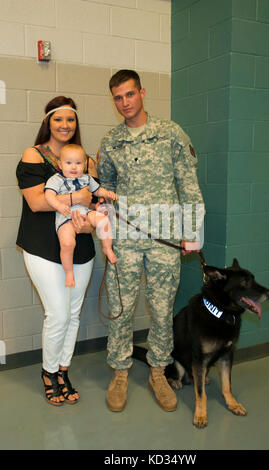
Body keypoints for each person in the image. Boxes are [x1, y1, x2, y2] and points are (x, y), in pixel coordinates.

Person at [97, 70, 205, 413]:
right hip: (126, 237)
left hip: (164, 236)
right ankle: (120, 371)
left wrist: (193, 232)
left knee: (161, 309)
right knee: (121, 308)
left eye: (129, 94)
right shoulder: (111, 141)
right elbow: (106, 191)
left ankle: (158, 371)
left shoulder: (170, 133)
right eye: (118, 97)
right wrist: (106, 233)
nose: (125, 102)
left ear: (142, 92)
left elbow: (188, 182)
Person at [16, 96, 98, 406]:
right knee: (58, 314)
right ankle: (48, 373)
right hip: (42, 248)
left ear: (76, 124)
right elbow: (37, 203)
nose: (65, 125)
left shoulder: (86, 161)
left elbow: (97, 202)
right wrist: (81, 197)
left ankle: (63, 370)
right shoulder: (34, 155)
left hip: (80, 246)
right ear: (48, 122)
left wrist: (89, 209)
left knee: (73, 315)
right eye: (58, 119)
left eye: (71, 119)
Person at [44, 143, 118, 288]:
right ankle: (69, 272)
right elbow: (48, 195)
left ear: (84, 165)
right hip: (65, 218)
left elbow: (98, 191)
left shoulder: (87, 178)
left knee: (103, 220)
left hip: (85, 212)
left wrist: (107, 193)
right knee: (67, 243)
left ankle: (107, 247)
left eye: (78, 163)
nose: (73, 167)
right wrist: (59, 206)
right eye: (68, 163)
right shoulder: (56, 179)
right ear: (60, 164)